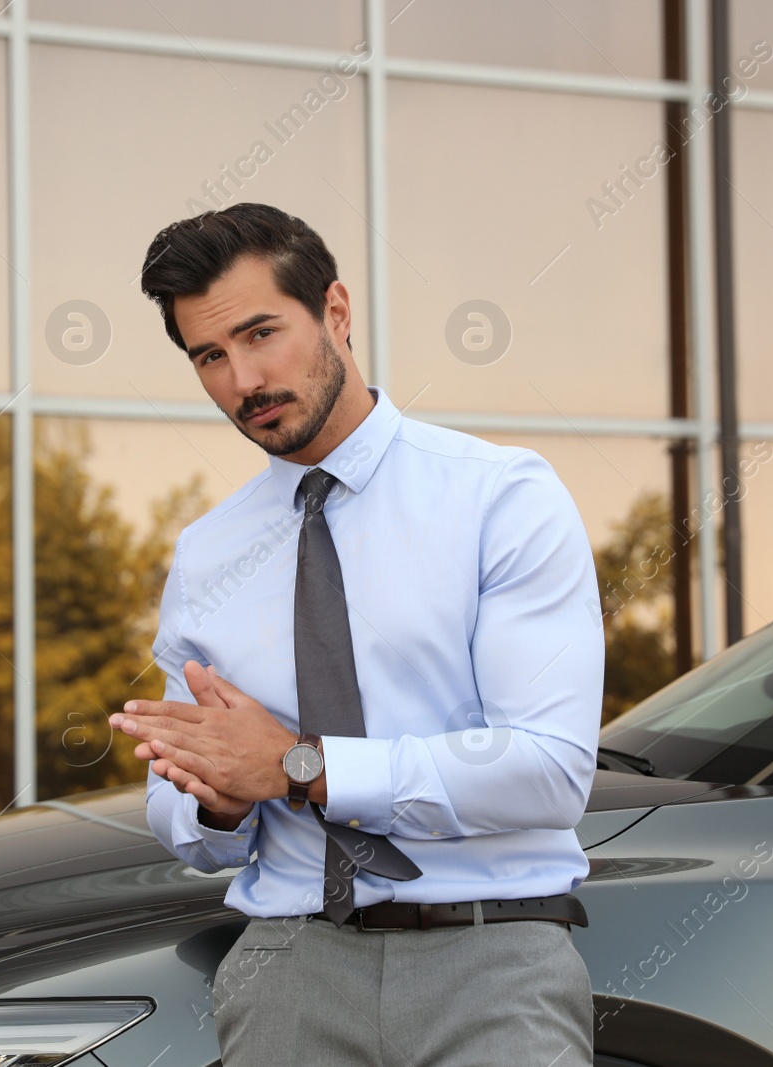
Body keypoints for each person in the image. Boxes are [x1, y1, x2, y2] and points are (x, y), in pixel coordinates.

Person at [109, 202, 603, 1066]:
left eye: (262, 334)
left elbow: (549, 769)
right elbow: (181, 813)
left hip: (492, 962)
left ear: (335, 311)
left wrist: (302, 765)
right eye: (210, 357)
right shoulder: (205, 554)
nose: (242, 381)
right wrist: (216, 800)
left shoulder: (500, 497)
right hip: (287, 970)